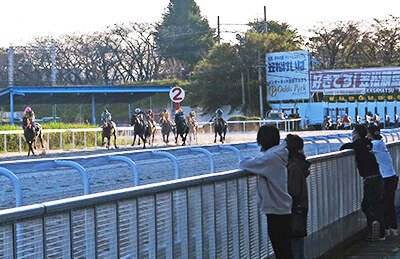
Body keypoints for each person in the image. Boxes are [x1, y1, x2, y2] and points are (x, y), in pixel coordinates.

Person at [239, 125, 293, 259]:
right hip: (282, 209)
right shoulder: (279, 154)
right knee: (285, 250)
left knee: (282, 252)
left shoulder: (271, 158)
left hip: (276, 211)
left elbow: (245, 164)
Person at [340, 125, 385, 241]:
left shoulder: (358, 143)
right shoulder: (369, 142)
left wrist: (352, 143)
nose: (352, 134)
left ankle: (377, 231)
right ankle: (378, 230)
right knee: (374, 205)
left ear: (357, 134)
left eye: (353, 132)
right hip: (378, 177)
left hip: (370, 180)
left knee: (368, 206)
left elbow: (345, 146)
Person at [367, 125, 399, 236]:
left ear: (370, 134)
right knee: (389, 203)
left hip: (386, 178)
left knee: (383, 204)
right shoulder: (380, 143)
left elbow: (363, 148)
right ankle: (393, 228)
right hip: (392, 176)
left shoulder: (374, 145)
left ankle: (385, 229)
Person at [286, 134, 311, 259]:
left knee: (294, 244)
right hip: (300, 208)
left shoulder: (293, 166)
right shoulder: (300, 165)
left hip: (294, 209)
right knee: (298, 243)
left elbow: (293, 191)